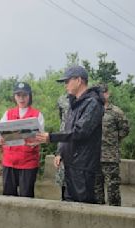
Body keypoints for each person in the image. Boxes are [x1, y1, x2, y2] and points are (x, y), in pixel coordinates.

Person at [36, 66, 105, 203]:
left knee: (82, 206)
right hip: (71, 164)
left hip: (83, 167)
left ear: (79, 80)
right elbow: (67, 128)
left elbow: (80, 132)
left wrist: (51, 137)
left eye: (67, 81)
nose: (65, 85)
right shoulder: (75, 103)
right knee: (68, 202)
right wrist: (61, 151)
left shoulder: (93, 103)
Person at [0, 82, 44, 198]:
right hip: (9, 161)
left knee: (26, 195)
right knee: (8, 194)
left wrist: (36, 141)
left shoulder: (37, 115)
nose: (21, 99)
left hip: (28, 161)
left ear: (29, 96)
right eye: (18, 95)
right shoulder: (8, 113)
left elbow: (41, 136)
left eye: (24, 95)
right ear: (14, 97)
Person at [95, 84, 129, 206]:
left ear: (108, 93)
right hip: (94, 156)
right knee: (96, 188)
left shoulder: (116, 112)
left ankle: (115, 215)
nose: (102, 95)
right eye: (99, 92)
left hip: (110, 156)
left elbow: (125, 130)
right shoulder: (92, 111)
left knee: (113, 187)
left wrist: (112, 140)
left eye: (104, 92)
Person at [54, 94, 69, 200]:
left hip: (82, 150)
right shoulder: (62, 99)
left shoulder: (89, 100)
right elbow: (62, 123)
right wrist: (58, 152)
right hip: (64, 143)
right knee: (63, 177)